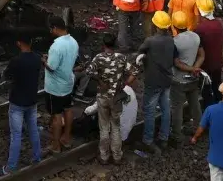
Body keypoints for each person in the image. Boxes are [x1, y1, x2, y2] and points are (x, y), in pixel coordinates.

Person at [83, 35, 135, 165]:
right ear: (115, 44)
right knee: (116, 127)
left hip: (102, 97)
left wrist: (100, 80)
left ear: (103, 45)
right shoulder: (122, 58)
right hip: (116, 98)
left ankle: (104, 156)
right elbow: (135, 71)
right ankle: (117, 156)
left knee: (104, 128)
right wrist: (125, 84)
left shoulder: (98, 58)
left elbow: (88, 71)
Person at [0, 34, 42, 175]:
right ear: (30, 42)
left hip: (17, 102)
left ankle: (10, 168)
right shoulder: (37, 58)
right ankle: (37, 158)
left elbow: (7, 75)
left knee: (16, 135)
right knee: (33, 130)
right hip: (32, 100)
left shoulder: (16, 61)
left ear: (18, 43)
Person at [138, 11, 176, 153]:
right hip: (166, 80)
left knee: (149, 111)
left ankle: (148, 140)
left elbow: (140, 52)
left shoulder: (150, 41)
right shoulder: (171, 40)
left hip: (153, 81)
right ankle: (164, 138)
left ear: (155, 25)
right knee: (166, 109)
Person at [43, 17, 78, 154]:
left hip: (55, 87)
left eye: (51, 29)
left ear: (55, 28)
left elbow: (51, 67)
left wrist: (44, 60)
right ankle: (66, 138)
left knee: (57, 116)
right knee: (68, 110)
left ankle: (56, 145)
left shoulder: (56, 46)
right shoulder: (73, 42)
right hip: (68, 83)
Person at [170, 10, 205, 141]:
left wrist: (191, 69)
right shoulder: (195, 37)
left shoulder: (175, 42)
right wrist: (196, 68)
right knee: (195, 104)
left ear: (174, 26)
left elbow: (177, 63)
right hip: (193, 79)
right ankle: (199, 128)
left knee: (177, 107)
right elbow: (202, 55)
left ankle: (176, 134)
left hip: (178, 80)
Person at [194, 0, 223, 110]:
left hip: (206, 66)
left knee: (207, 92)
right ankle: (220, 109)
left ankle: (210, 114)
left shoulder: (200, 29)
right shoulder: (219, 23)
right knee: (217, 87)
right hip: (218, 62)